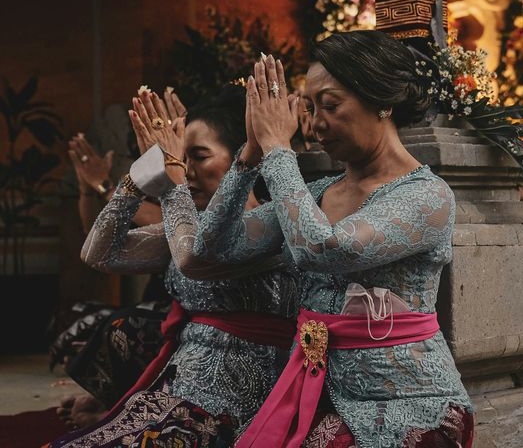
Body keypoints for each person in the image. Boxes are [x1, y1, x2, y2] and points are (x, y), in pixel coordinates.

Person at [154, 37, 474, 448]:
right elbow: (206, 255)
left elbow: (324, 250)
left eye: (331, 104)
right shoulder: (317, 193)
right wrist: (249, 158)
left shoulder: (428, 197)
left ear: (382, 101)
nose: (316, 122)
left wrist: (277, 150)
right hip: (309, 391)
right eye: (310, 107)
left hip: (406, 407)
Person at [45, 85, 297, 448]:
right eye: (180, 158)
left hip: (237, 401)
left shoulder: (269, 223)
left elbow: (194, 257)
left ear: (245, 156)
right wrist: (137, 179)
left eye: (198, 155)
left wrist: (171, 181)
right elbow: (98, 254)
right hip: (177, 386)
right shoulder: (185, 226)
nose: (187, 170)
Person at [54, 90, 186, 429]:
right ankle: (110, 401)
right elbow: (96, 244)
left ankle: (113, 404)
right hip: (162, 308)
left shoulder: (206, 198)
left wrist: (110, 187)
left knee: (123, 325)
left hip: (193, 330)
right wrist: (91, 188)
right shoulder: (172, 186)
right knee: (78, 317)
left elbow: (163, 220)